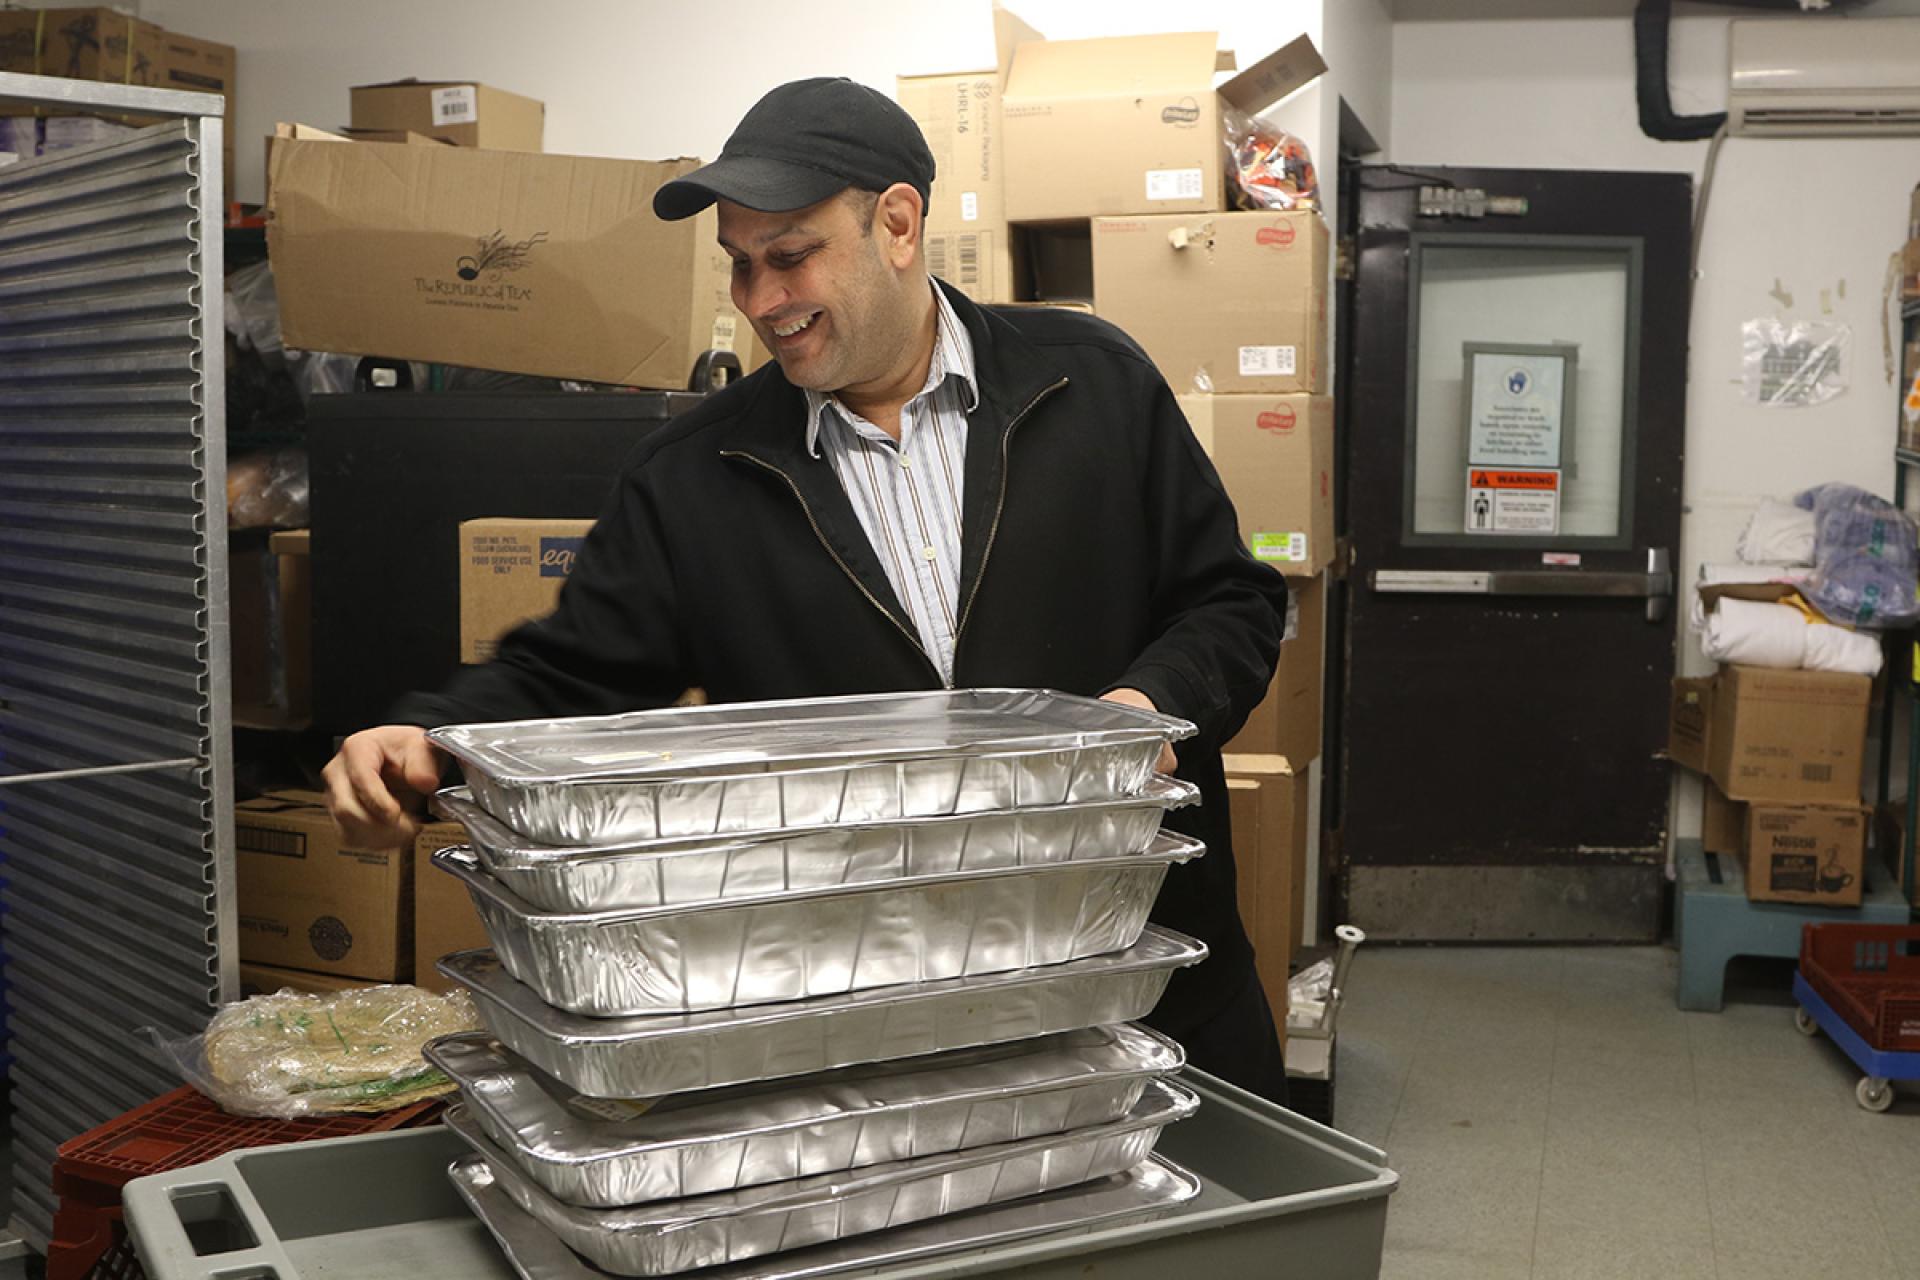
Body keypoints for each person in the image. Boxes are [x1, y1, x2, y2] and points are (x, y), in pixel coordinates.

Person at [324, 77, 1292, 1102]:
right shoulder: (696, 472)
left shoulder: (1092, 383)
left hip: (1143, 987)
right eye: (739, 265)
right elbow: (570, 670)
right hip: (871, 1022)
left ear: (899, 223)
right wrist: (433, 737)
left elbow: (1229, 599)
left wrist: (1143, 711)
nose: (758, 299)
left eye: (790, 255)